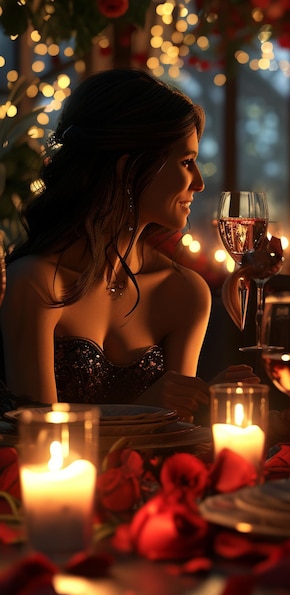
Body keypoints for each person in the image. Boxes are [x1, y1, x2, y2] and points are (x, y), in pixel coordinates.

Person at [0, 68, 257, 421]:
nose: (198, 183)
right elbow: (39, 439)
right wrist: (138, 412)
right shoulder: (36, 283)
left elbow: (174, 437)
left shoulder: (183, 292)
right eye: (186, 162)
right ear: (128, 167)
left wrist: (206, 405)